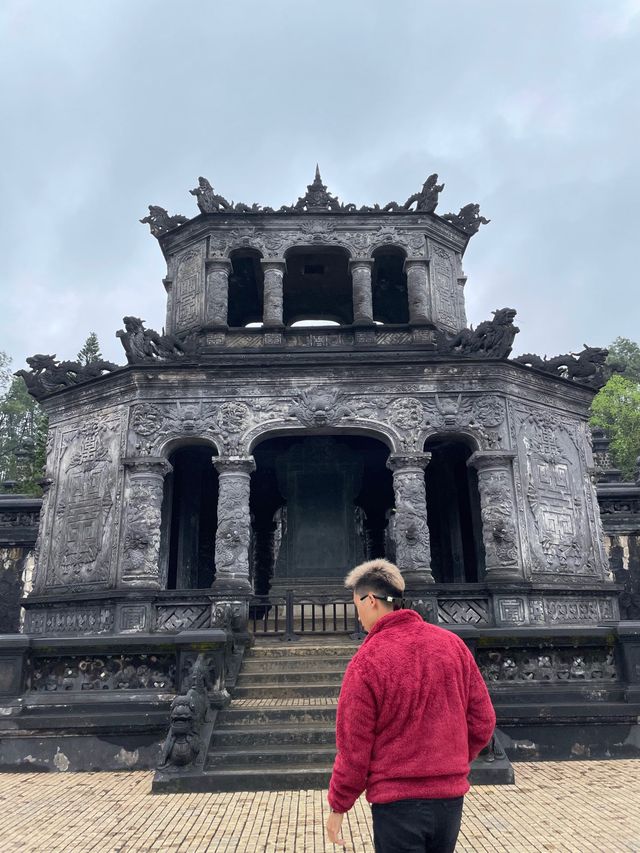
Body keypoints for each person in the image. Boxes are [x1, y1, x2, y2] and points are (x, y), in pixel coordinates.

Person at [326, 559, 496, 852]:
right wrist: (448, 763)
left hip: (397, 802)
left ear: (370, 601)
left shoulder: (367, 661)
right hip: (450, 800)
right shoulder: (452, 645)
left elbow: (354, 747)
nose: (358, 617)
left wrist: (339, 805)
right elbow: (483, 720)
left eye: (356, 606)